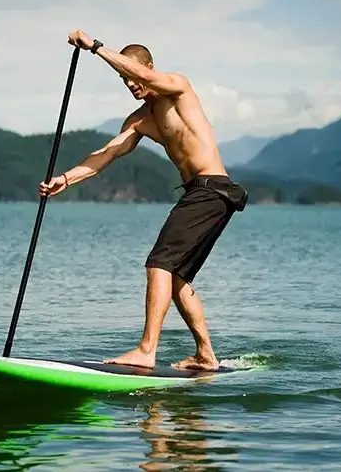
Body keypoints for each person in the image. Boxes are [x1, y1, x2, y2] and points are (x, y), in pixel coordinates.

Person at [38, 29, 248, 371]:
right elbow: (105, 155)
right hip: (200, 194)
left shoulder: (177, 88)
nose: (131, 85)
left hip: (211, 189)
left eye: (132, 76)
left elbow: (147, 77)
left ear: (148, 67)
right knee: (176, 278)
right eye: (124, 81)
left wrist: (94, 47)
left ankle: (146, 350)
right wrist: (65, 178)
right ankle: (206, 355)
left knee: (158, 264)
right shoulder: (140, 120)